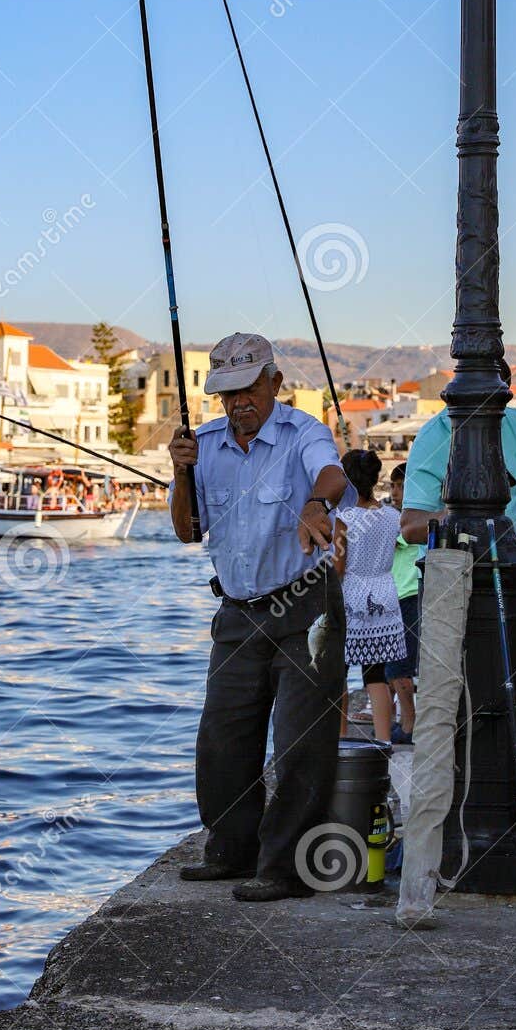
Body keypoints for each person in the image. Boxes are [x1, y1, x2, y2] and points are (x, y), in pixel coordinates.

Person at [168, 332, 352, 903]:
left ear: (274, 383)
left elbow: (333, 475)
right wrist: (179, 474)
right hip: (237, 612)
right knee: (222, 736)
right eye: (227, 394)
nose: (238, 403)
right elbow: (186, 530)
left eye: (249, 390)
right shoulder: (203, 446)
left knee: (301, 740)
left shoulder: (304, 433)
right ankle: (229, 849)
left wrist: (315, 505)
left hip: (305, 604)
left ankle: (286, 869)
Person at [400, 360, 516, 546]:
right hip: (449, 569)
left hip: (508, 564)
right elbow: (410, 527)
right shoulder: (431, 437)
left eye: (501, 401)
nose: (497, 409)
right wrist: (462, 518)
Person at [333, 449, 405, 745]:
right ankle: (384, 740)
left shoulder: (343, 518)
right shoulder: (392, 516)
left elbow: (338, 566)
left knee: (338, 673)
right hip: (385, 593)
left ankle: (339, 738)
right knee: (376, 674)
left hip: (351, 594)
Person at [385, 463, 419, 744]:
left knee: (400, 668)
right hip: (393, 596)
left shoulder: (409, 523)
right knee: (391, 668)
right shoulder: (395, 517)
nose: (395, 492)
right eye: (392, 486)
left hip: (408, 595)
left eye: (400, 485)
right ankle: (396, 720)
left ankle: (409, 726)